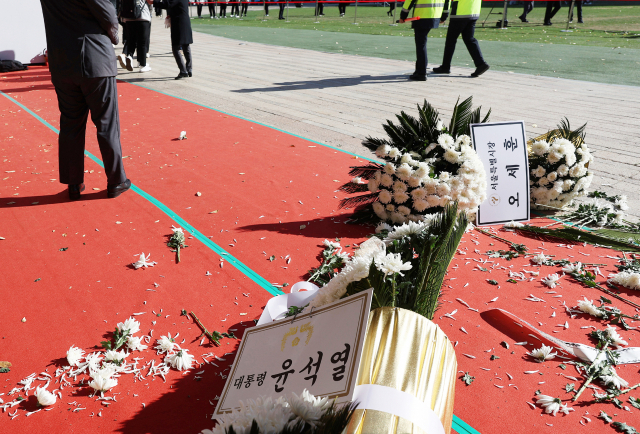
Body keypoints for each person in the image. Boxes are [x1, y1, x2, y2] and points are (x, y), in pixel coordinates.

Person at [39, 0, 131, 200]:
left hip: (62, 61)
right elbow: (108, 16)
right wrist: (114, 37)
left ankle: (74, 183)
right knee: (106, 123)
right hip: (94, 57)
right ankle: (116, 180)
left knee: (70, 124)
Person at [432, 0, 490, 78]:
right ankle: (480, 63)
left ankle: (445, 66)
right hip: (473, 10)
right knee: (469, 39)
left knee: (451, 40)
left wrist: (444, 15)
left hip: (460, 12)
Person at [399, 0, 443, 81]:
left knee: (421, 44)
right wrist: (444, 16)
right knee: (422, 43)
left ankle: (421, 72)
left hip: (422, 16)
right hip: (435, 15)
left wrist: (403, 16)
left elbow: (409, 1)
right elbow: (447, 2)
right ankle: (419, 70)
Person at [154, 0, 194, 79]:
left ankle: (183, 70)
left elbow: (168, 3)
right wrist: (170, 14)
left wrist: (154, 2)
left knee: (175, 47)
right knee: (186, 46)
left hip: (178, 23)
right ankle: (189, 69)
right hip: (185, 21)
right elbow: (175, 6)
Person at [119, 0, 152, 72]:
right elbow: (150, 1)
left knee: (131, 40)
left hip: (128, 17)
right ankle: (143, 65)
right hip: (142, 17)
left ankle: (130, 57)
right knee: (142, 42)